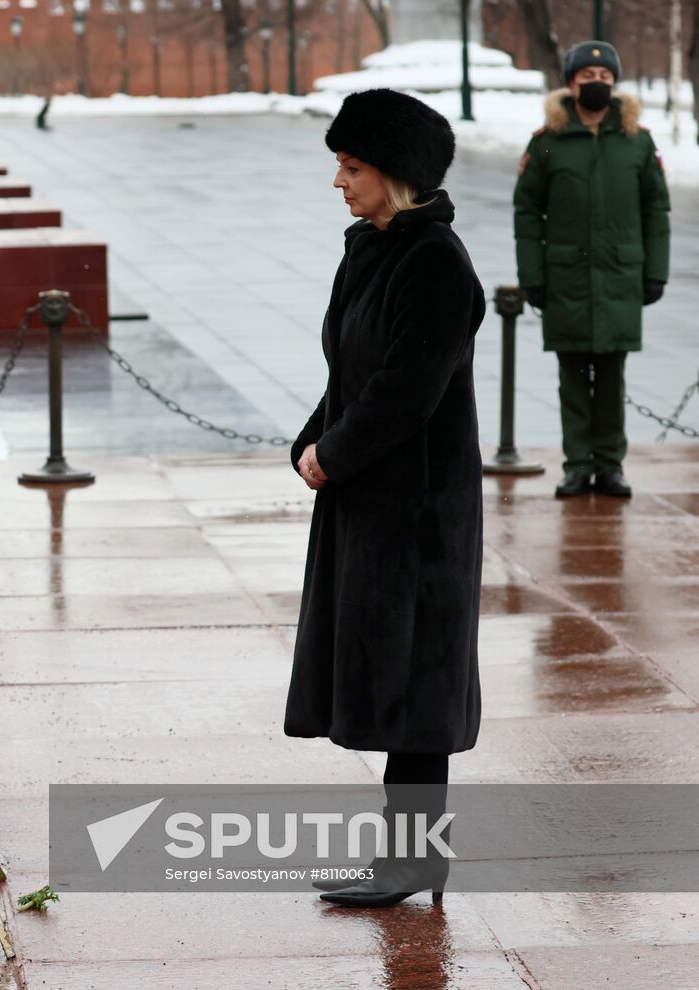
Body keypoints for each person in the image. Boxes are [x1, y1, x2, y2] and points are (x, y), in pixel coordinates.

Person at [285, 88, 485, 907]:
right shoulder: (370, 248)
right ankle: (404, 857)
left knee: (417, 689)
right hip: (373, 499)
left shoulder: (435, 260)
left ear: (396, 174)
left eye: (352, 165)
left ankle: (414, 860)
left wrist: (334, 454)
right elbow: (354, 371)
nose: (339, 181)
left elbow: (409, 388)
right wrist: (311, 439)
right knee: (391, 681)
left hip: (419, 511)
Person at [514, 41, 671, 499]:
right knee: (572, 377)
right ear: (571, 83)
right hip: (567, 277)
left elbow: (655, 210)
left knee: (611, 375)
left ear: (615, 84)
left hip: (620, 275)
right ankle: (577, 466)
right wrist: (533, 276)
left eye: (604, 78)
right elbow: (527, 212)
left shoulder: (637, 142)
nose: (597, 84)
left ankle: (611, 467)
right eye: (587, 77)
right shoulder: (547, 143)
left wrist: (654, 272)